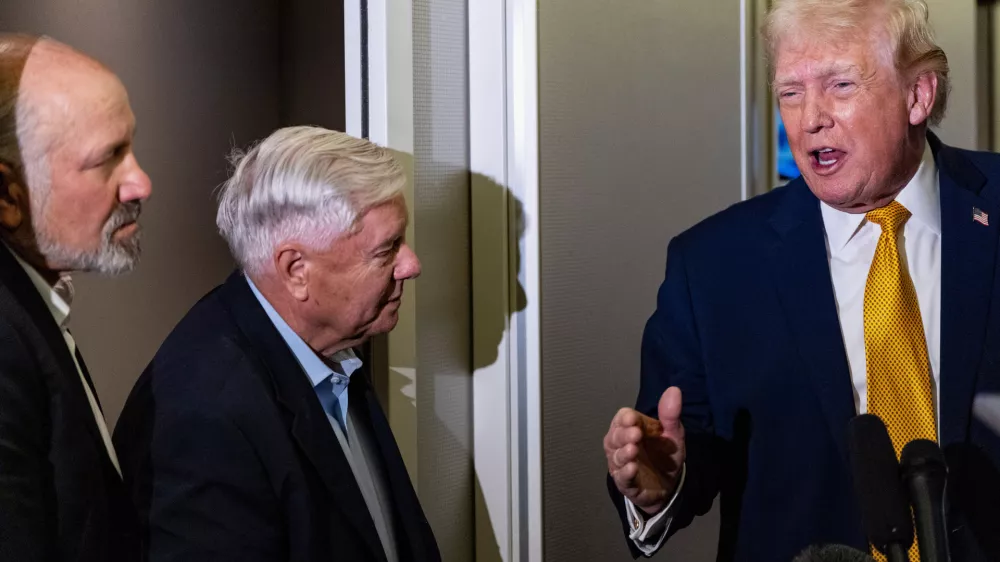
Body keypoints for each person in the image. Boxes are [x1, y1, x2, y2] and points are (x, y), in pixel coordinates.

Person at [604, 1, 1000, 560]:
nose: (810, 118)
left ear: (918, 96)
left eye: (840, 85)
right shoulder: (714, 265)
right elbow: (676, 451)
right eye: (790, 92)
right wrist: (659, 485)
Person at [113, 126, 441, 562]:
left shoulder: (329, 346)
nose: (411, 265)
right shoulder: (206, 416)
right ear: (296, 270)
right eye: (387, 250)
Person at [0, 34, 152, 561]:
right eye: (107, 159)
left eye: (130, 147)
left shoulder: (34, 302)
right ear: (6, 196)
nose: (140, 183)